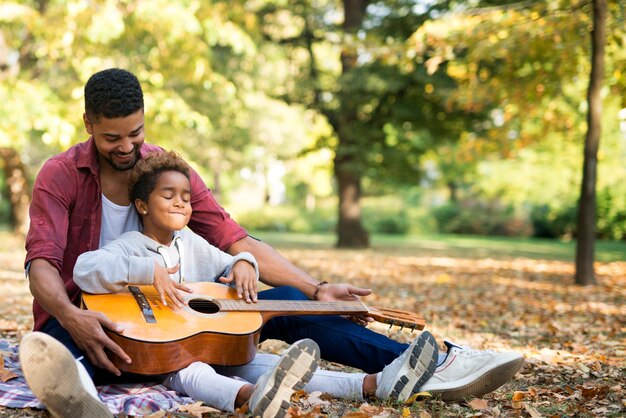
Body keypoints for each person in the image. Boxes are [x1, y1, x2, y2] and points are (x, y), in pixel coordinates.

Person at [20, 68, 523, 413]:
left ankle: (434, 361)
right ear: (89, 125)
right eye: (113, 138)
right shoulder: (61, 175)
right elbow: (42, 265)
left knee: (280, 302)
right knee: (63, 351)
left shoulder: (165, 173)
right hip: (88, 314)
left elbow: (234, 239)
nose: (127, 147)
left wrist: (312, 285)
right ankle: (81, 396)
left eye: (136, 132)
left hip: (178, 317)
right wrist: (70, 316)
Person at [20, 150, 439, 418]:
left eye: (186, 196)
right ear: (143, 205)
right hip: (159, 352)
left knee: (262, 362)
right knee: (196, 373)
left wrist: (243, 263)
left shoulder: (193, 245)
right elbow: (87, 269)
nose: (182, 202)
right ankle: (248, 398)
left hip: (199, 343)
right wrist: (147, 273)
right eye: (169, 196)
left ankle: (375, 384)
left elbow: (231, 256)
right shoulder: (129, 246)